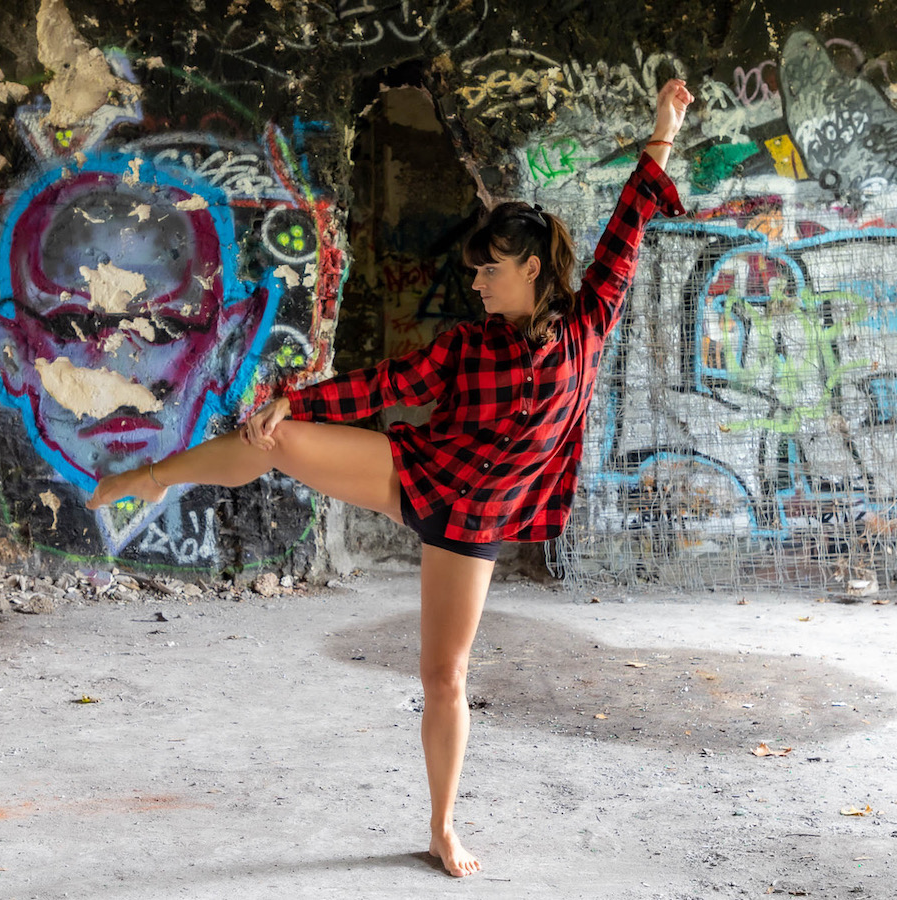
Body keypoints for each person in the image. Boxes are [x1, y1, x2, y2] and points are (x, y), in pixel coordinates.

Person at [89, 78, 694, 877]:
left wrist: (663, 131)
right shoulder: (466, 347)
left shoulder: (589, 320)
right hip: (416, 472)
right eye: (474, 272)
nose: (476, 284)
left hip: (474, 521)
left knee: (444, 675)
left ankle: (443, 826)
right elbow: (380, 387)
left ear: (535, 268)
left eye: (490, 271)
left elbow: (630, 222)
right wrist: (290, 400)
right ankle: (161, 476)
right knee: (278, 436)